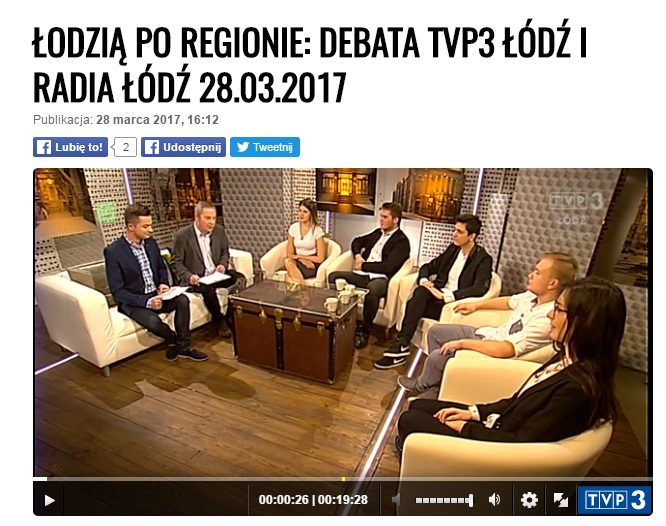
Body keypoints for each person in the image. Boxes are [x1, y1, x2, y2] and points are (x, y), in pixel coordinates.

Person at [395, 276, 626, 450]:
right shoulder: (566, 358)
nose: (550, 315)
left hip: (497, 447)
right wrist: (473, 413)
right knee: (418, 406)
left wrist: (466, 427)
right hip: (498, 423)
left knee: (410, 419)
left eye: (558, 310)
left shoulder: (577, 389)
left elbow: (520, 443)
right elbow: (517, 402)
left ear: (585, 322)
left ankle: (423, 464)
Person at [397, 252, 578, 395]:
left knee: (437, 356)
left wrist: (461, 343)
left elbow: (507, 349)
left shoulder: (548, 319)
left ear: (552, 283)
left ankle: (424, 385)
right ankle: (438, 383)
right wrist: (476, 305)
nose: (530, 275)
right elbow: (509, 301)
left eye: (537, 272)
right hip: (490, 334)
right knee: (436, 332)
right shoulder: (532, 296)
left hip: (493, 349)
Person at [374, 214, 492, 369]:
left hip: (453, 304)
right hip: (437, 297)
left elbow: (479, 288)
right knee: (420, 292)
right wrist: (424, 281)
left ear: (472, 236)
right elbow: (428, 267)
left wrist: (446, 296)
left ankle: (400, 347)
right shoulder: (453, 250)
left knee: (414, 305)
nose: (454, 234)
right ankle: (401, 344)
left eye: (460, 232)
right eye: (454, 230)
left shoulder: (483, 259)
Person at [104, 204, 208, 362]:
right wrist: (147, 302)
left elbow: (160, 267)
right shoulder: (113, 252)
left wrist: (163, 284)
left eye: (150, 225)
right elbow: (118, 291)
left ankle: (184, 346)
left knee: (182, 300)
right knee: (153, 322)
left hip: (157, 294)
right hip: (134, 301)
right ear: (131, 227)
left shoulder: (150, 243)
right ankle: (172, 339)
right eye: (145, 226)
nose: (151, 230)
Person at [328, 202, 411, 349]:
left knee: (373, 290)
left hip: (381, 278)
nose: (381, 220)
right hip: (363, 274)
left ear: (395, 220)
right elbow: (357, 241)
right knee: (334, 277)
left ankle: (364, 331)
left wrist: (363, 265)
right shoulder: (377, 233)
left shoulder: (402, 242)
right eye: (381, 216)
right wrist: (358, 256)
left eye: (385, 217)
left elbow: (387, 267)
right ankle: (338, 318)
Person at [171, 201, 244, 338]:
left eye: (214, 218)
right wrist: (189, 276)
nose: (212, 222)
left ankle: (230, 318)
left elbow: (225, 252)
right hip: (197, 279)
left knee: (240, 279)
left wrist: (222, 264)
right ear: (197, 218)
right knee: (207, 289)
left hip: (216, 275)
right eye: (208, 218)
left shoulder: (219, 231)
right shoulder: (182, 236)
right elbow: (176, 263)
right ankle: (219, 320)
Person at [284, 198, 326, 284]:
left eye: (305, 212)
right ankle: (303, 287)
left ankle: (299, 288)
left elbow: (320, 258)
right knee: (288, 262)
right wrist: (301, 259)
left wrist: (302, 257)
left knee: (289, 276)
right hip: (298, 261)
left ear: (311, 214)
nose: (301, 214)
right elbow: (289, 254)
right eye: (300, 211)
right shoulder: (293, 228)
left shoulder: (317, 231)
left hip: (312, 264)